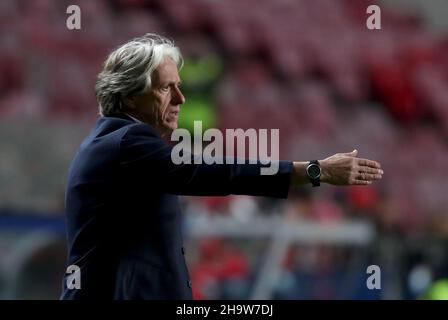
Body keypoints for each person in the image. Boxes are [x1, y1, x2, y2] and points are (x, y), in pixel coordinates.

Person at [60, 34, 383, 300]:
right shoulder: (129, 140)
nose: (180, 98)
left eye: (178, 86)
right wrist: (315, 171)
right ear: (130, 96)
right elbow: (209, 171)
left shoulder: (111, 143)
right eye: (165, 88)